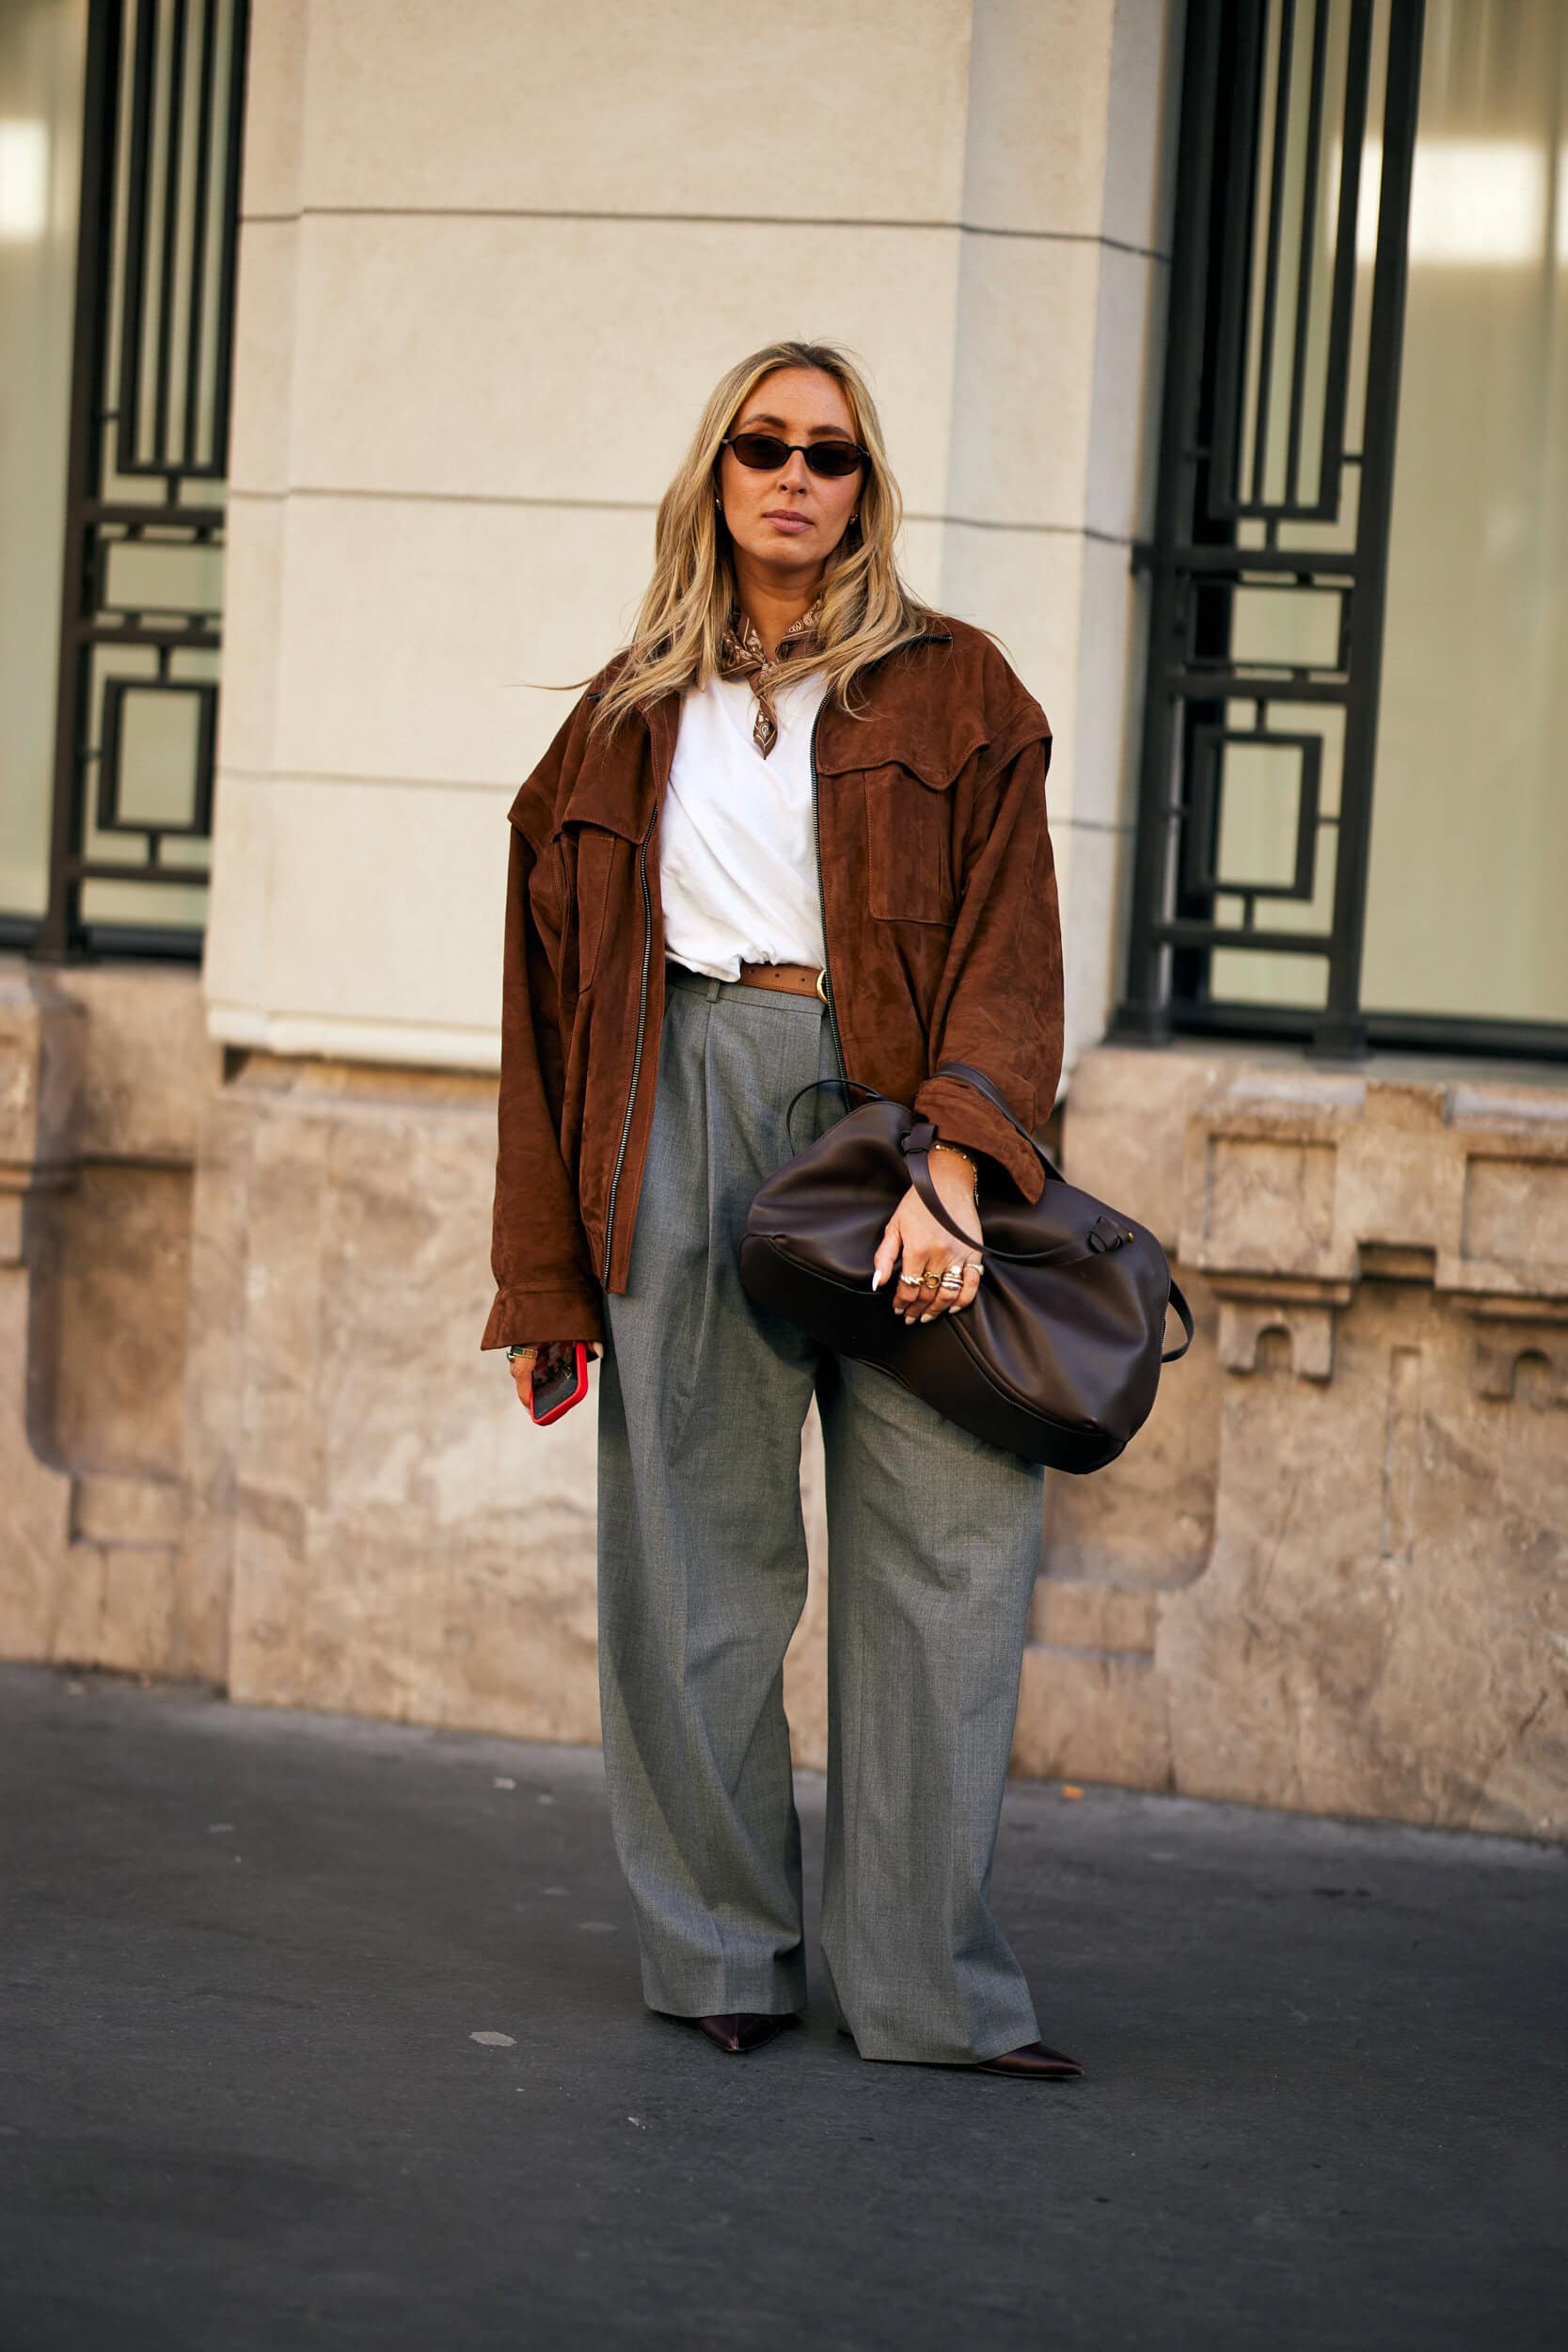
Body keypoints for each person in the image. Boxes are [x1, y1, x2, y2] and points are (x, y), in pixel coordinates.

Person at [483, 339, 1079, 2081]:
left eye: (830, 454)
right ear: (717, 475)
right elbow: (541, 1018)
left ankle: (925, 1993)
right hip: (681, 1105)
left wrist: (957, 1167)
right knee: (693, 1555)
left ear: (866, 490)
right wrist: (544, 1286)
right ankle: (722, 1949)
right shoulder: (614, 722)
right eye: (763, 446)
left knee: (950, 1552)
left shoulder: (959, 692)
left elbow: (1013, 952)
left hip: (896, 1125)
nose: (795, 477)